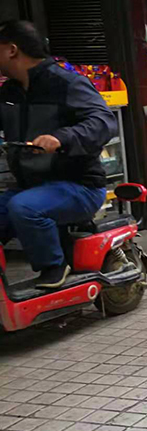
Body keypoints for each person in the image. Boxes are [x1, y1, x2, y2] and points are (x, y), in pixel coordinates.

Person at [0, 20, 117, 288]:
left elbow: (104, 122)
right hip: (30, 186)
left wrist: (61, 138)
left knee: (24, 208)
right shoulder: (9, 92)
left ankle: (54, 266)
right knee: (19, 204)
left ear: (12, 50)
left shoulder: (66, 83)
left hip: (79, 186)